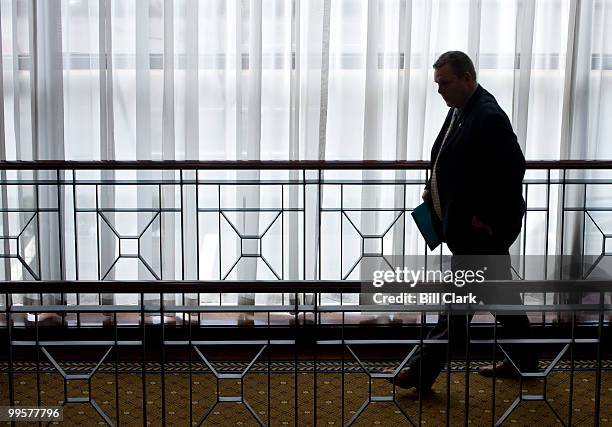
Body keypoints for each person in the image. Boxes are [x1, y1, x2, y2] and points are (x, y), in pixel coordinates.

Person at [392, 51, 537, 393]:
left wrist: (487, 217)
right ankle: (525, 363)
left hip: (479, 233)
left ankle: (419, 371)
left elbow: (513, 168)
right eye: (437, 84)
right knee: (503, 302)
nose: (440, 90)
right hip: (467, 229)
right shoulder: (461, 109)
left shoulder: (487, 115)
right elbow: (451, 160)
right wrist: (434, 188)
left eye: (445, 82)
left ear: (467, 77)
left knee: (456, 310)